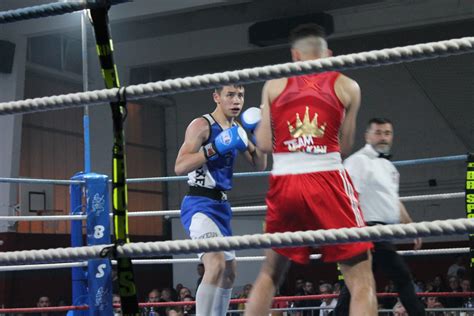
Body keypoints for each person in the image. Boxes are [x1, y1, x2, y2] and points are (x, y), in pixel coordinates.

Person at [244, 23, 377, 316]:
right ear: (328, 53)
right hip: (328, 179)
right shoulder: (347, 85)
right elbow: (344, 147)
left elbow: (264, 143)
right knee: (361, 279)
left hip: (284, 182)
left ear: (295, 55)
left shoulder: (274, 85)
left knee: (270, 273)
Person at [175, 84, 267, 316]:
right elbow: (180, 166)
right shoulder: (201, 125)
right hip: (198, 203)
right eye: (230, 95)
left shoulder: (237, 129)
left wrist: (261, 132)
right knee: (215, 263)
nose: (236, 101)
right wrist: (214, 148)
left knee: (229, 273)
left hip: (221, 206)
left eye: (241, 95)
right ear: (217, 97)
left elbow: (259, 164)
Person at [334, 117, 426, 316]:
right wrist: (355, 233)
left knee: (356, 285)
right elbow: (347, 197)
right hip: (366, 231)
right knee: (401, 276)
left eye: (387, 133)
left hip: (384, 232)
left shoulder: (390, 168)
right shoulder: (358, 161)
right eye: (378, 133)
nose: (383, 137)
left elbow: (393, 200)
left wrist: (411, 225)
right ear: (367, 135)